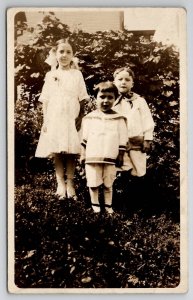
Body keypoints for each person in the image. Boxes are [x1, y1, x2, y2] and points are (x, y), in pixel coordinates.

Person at [35, 38, 89, 200]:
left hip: (72, 115)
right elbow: (45, 99)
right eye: (61, 52)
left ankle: (70, 183)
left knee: (72, 150)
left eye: (68, 52)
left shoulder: (76, 74)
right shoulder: (51, 74)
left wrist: (80, 116)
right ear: (55, 54)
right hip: (55, 116)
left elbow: (82, 98)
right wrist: (46, 120)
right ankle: (60, 183)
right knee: (57, 149)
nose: (64, 55)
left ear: (73, 55)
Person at [80, 81, 128, 214]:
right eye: (102, 97)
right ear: (95, 98)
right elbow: (84, 138)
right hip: (92, 156)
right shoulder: (90, 118)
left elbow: (123, 138)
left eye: (110, 97)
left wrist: (120, 154)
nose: (106, 101)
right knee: (93, 182)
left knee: (108, 182)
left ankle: (108, 206)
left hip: (110, 156)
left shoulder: (119, 119)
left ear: (116, 99)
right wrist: (83, 154)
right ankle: (95, 206)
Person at [113, 67, 155, 178]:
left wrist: (147, 139)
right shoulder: (112, 102)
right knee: (120, 168)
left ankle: (137, 190)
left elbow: (147, 120)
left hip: (136, 141)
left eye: (127, 80)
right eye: (120, 79)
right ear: (114, 82)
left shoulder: (139, 101)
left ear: (132, 83)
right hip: (119, 143)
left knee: (138, 169)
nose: (123, 82)